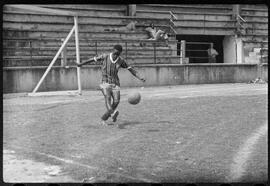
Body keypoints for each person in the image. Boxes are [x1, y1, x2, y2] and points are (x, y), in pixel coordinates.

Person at [77, 45, 146, 125]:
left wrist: (140, 77)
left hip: (115, 83)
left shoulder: (121, 61)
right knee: (108, 97)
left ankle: (104, 118)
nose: (116, 55)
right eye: (115, 53)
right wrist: (81, 64)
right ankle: (112, 113)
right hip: (105, 82)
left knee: (116, 101)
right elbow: (92, 60)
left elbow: (131, 69)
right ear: (113, 50)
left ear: (120, 53)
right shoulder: (104, 56)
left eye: (118, 54)